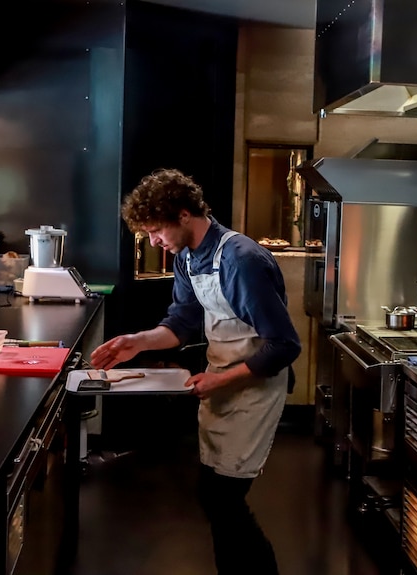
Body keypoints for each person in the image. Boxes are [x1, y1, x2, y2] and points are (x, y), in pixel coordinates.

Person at [90, 168, 301, 575]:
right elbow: (182, 322)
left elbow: (285, 345)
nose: (153, 241)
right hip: (220, 383)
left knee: (223, 498)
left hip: (253, 388)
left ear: (184, 215)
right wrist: (139, 341)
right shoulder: (187, 257)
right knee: (216, 498)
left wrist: (222, 379)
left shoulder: (241, 260)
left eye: (156, 230)